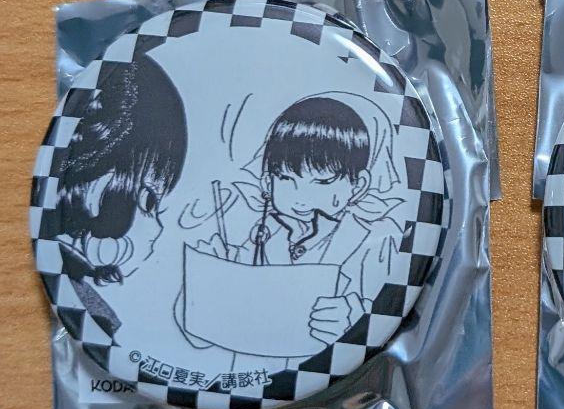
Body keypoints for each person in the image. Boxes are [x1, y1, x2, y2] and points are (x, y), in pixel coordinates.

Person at [216, 94, 405, 348]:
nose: (300, 197)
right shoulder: (262, 236)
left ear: (358, 185)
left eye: (323, 182)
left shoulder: (376, 243)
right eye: (285, 178)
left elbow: (389, 311)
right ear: (267, 182)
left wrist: (356, 325)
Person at [53, 55, 188, 335]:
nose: (158, 229)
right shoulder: (94, 315)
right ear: (100, 185)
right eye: (148, 201)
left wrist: (94, 271)